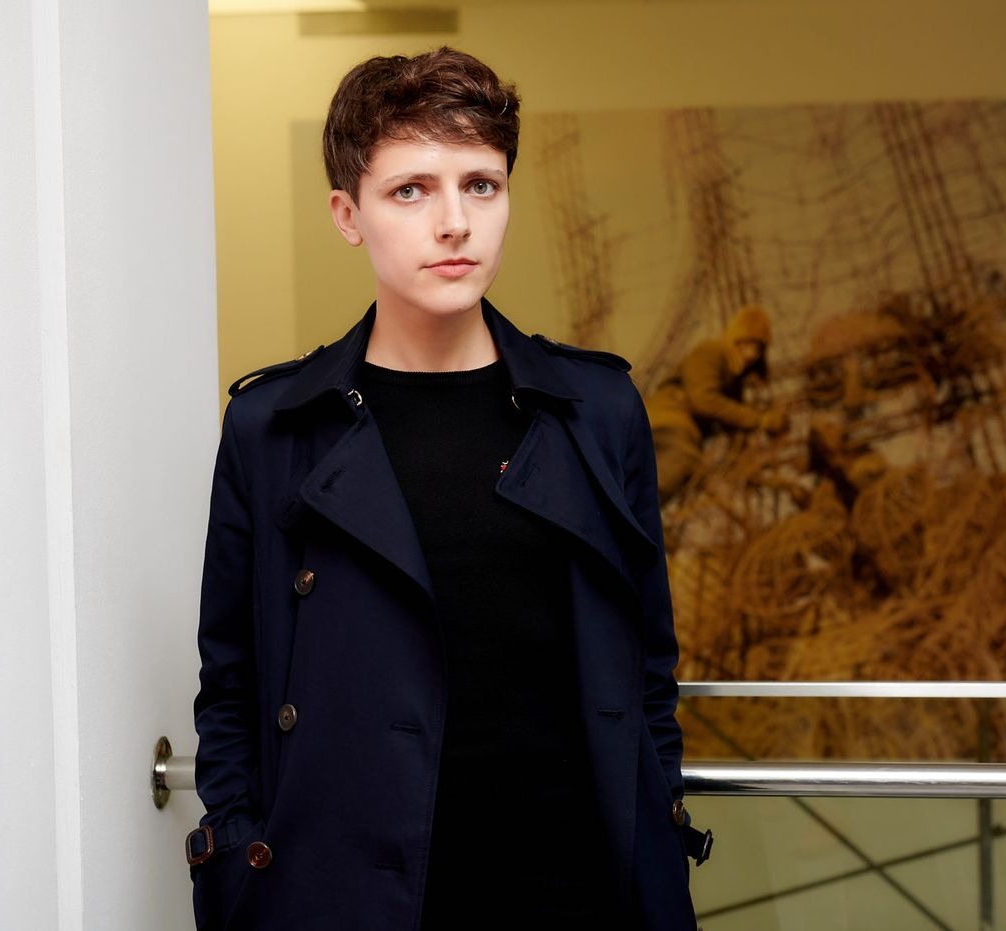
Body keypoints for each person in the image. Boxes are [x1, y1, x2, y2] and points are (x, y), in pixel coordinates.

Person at [186, 47, 710, 930]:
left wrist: (655, 830)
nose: (455, 222)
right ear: (347, 215)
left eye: (481, 185)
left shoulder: (597, 409)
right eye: (411, 190)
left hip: (573, 891)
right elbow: (231, 682)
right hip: (346, 896)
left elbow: (647, 665)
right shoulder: (273, 427)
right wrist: (242, 859)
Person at [644, 304, 787, 502]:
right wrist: (760, 419)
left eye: (758, 348)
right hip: (668, 422)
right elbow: (703, 400)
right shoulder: (711, 351)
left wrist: (766, 422)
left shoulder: (732, 381)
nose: (752, 354)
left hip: (667, 427)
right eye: (748, 344)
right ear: (736, 339)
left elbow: (731, 417)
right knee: (678, 464)